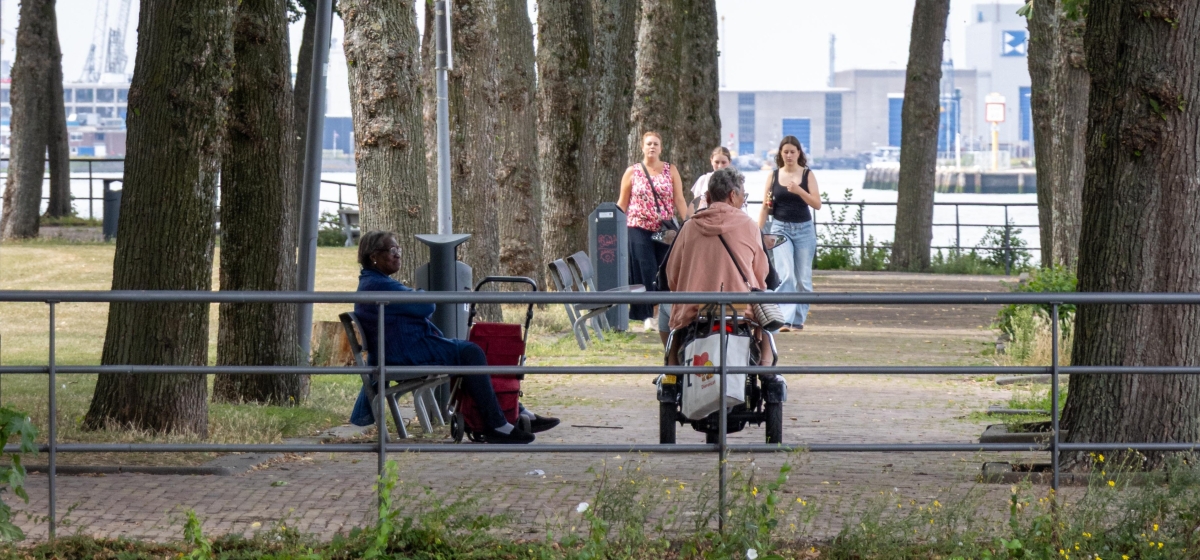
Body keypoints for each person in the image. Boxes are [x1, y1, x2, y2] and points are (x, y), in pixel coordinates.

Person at [348, 231, 559, 444]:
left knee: (470, 353)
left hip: (403, 347)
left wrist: (417, 295)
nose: (398, 255)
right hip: (406, 351)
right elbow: (427, 305)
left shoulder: (374, 282)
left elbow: (419, 304)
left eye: (398, 250)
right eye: (392, 250)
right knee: (471, 352)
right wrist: (419, 294)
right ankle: (496, 425)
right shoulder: (380, 285)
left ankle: (515, 414)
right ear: (374, 256)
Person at [664, 167, 772, 362]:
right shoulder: (749, 226)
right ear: (732, 196)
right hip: (739, 309)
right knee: (768, 306)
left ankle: (672, 370)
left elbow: (672, 276)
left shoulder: (689, 227)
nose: (743, 200)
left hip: (694, 309)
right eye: (743, 196)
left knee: (669, 313)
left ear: (707, 195)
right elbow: (761, 274)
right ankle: (766, 363)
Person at [617, 131, 690, 344]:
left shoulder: (670, 170)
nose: (652, 147)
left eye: (655, 144)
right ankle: (646, 314)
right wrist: (615, 226)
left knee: (665, 268)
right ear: (642, 147)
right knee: (644, 267)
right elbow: (622, 203)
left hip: (664, 229)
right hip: (638, 227)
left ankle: (663, 311)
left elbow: (679, 199)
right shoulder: (632, 172)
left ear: (661, 148)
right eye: (648, 144)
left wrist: (689, 223)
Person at [757, 136, 821, 332]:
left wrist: (799, 191)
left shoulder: (807, 175)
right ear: (780, 154)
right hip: (780, 228)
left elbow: (817, 204)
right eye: (785, 152)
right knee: (786, 274)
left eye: (793, 151)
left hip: (803, 229)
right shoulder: (774, 175)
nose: (789, 155)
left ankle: (798, 320)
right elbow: (765, 206)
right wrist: (758, 233)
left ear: (799, 153)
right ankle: (784, 319)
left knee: (803, 278)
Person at [689, 146, 732, 213]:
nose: (720, 166)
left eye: (723, 162)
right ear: (711, 161)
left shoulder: (734, 181)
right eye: (717, 162)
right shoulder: (703, 180)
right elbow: (695, 204)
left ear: (729, 162)